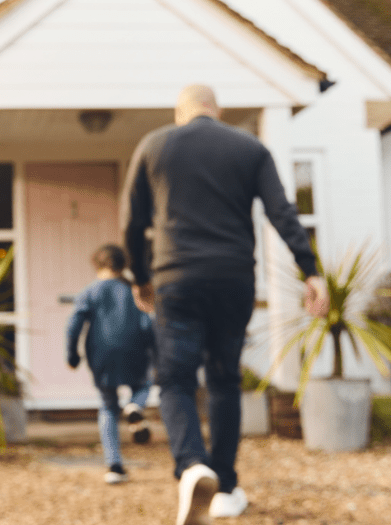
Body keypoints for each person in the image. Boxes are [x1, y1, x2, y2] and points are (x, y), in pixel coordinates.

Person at [122, 85, 329, 525]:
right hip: (233, 278)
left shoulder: (154, 146)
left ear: (180, 113)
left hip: (175, 279)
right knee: (224, 380)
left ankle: (192, 465)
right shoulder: (249, 147)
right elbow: (282, 212)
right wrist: (310, 270)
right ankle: (226, 487)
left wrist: (141, 278)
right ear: (216, 110)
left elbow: (133, 222)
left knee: (176, 381)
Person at [66, 244, 156, 485]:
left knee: (107, 405)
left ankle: (114, 466)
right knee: (144, 384)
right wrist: (154, 350)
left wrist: (71, 353)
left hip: (101, 355)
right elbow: (148, 322)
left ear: (97, 265)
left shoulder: (90, 292)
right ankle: (135, 406)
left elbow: (75, 323)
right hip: (135, 350)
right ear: (123, 265)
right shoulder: (134, 290)